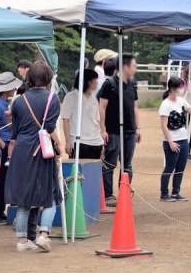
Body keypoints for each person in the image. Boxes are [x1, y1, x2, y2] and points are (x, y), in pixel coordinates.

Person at [6, 62, 63, 252]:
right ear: (47, 78)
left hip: (22, 150)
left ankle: (22, 241)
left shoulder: (19, 101)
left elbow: (15, 131)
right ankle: (44, 234)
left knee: (23, 197)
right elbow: (50, 126)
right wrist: (59, 144)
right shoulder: (52, 99)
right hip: (41, 149)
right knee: (49, 195)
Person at [98, 54, 141, 207]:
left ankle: (124, 191)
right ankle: (109, 195)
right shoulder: (109, 83)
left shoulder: (133, 84)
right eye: (134, 66)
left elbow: (135, 107)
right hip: (113, 131)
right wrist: (103, 129)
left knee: (127, 164)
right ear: (125, 67)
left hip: (130, 131)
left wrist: (138, 127)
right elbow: (102, 107)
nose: (135, 69)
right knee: (110, 163)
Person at [158, 77, 191, 202]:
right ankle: (164, 193)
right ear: (173, 89)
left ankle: (175, 192)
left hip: (184, 139)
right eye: (180, 87)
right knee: (169, 167)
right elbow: (163, 125)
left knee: (180, 168)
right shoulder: (165, 104)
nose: (182, 89)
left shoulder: (181, 101)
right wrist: (171, 142)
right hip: (171, 141)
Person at [0, 71, 21, 223]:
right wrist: (2, 146)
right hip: (1, 148)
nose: (15, 89)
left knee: (4, 180)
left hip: (7, 145)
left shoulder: (6, 103)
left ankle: (0, 211)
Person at [60, 69, 103, 160]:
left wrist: (101, 141)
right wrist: (68, 141)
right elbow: (65, 120)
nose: (97, 83)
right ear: (88, 82)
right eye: (95, 80)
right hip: (78, 141)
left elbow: (98, 120)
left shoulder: (95, 98)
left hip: (95, 141)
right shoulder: (71, 97)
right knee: (78, 173)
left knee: (93, 172)